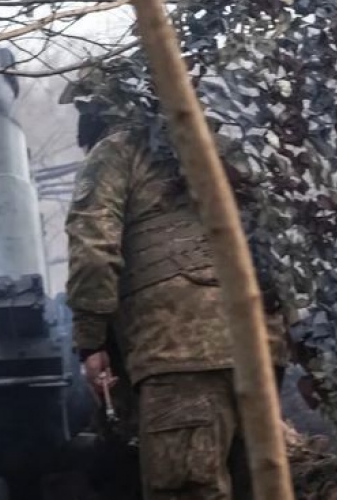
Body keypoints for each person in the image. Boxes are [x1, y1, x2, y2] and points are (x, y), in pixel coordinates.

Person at [62, 59, 289, 500]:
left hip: (180, 352)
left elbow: (92, 250)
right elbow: (278, 241)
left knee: (186, 488)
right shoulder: (219, 147)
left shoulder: (116, 152)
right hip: (261, 346)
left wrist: (91, 342)